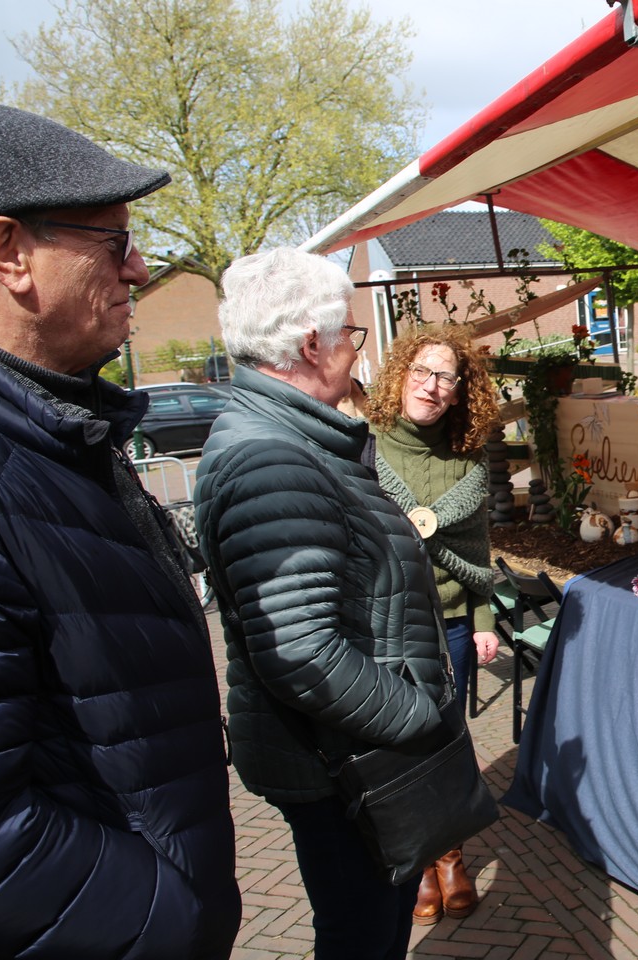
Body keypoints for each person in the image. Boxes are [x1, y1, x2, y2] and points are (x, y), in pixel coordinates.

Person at [0, 103, 241, 956]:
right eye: (114, 242)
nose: (140, 268)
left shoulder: (55, 430)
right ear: (7, 253)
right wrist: (172, 918)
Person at [195, 248, 454, 960]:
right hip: (340, 765)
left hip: (348, 755)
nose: (356, 350)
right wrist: (416, 715)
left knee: (375, 925)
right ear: (313, 344)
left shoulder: (294, 439)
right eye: (350, 332)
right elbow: (302, 651)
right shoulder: (272, 459)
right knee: (361, 933)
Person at [364, 328, 501, 924]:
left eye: (446, 377)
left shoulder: (467, 460)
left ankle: (451, 857)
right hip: (385, 623)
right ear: (400, 376)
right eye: (421, 371)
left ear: (460, 392)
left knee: (448, 737)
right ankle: (421, 861)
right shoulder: (365, 448)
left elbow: (477, 548)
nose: (431, 386)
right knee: (400, 743)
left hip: (450, 624)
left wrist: (483, 618)